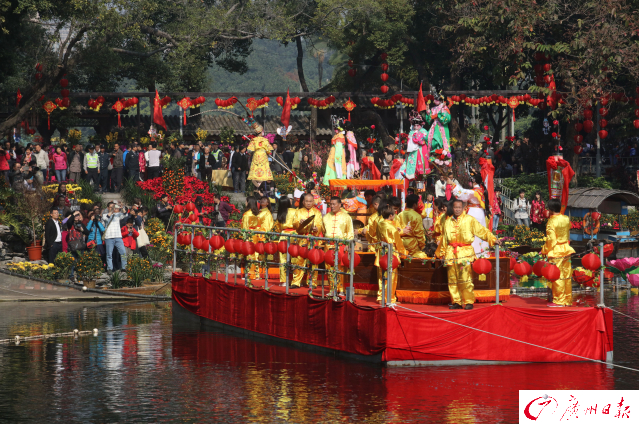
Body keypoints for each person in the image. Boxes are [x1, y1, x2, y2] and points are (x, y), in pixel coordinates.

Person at [438, 198, 498, 310]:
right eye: (455, 207)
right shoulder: (447, 222)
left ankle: (468, 301)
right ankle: (456, 301)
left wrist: (493, 239)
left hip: (465, 253)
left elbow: (482, 231)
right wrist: (442, 253)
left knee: (466, 278)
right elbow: (444, 240)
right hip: (451, 253)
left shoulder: (470, 220)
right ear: (452, 208)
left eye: (459, 207)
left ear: (464, 208)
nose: (457, 210)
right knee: (452, 279)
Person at [540, 199, 576, 307]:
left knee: (557, 276)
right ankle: (568, 299)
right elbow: (568, 227)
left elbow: (551, 240)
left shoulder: (551, 222)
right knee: (567, 276)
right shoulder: (565, 218)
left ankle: (559, 300)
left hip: (556, 251)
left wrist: (544, 250)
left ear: (550, 210)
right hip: (566, 248)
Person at [375, 204, 408, 304]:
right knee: (391, 277)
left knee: (381, 276)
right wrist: (404, 254)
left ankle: (381, 297)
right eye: (394, 214)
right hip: (391, 253)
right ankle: (390, 298)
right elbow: (398, 244)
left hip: (381, 252)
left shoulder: (380, 224)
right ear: (390, 216)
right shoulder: (392, 229)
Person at [322, 196, 354, 296]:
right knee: (329, 268)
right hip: (329, 245)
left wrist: (348, 245)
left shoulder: (346, 217)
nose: (332, 206)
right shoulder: (326, 217)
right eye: (330, 204)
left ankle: (340, 290)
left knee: (340, 268)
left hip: (340, 245)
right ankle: (332, 289)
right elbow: (323, 231)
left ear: (340, 204)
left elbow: (350, 232)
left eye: (334, 204)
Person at [291, 192, 324, 288]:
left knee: (313, 260)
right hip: (302, 239)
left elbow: (319, 224)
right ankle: (296, 282)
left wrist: (316, 229)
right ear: (303, 202)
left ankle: (312, 282)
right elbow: (294, 223)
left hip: (313, 239)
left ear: (313, 201)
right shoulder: (298, 211)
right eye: (307, 201)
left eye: (310, 201)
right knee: (299, 260)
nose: (308, 203)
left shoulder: (317, 212)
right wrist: (299, 223)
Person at [451, 176, 490, 256]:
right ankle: (482, 252)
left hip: (473, 213)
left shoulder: (474, 191)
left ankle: (474, 252)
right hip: (480, 212)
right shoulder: (481, 190)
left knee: (472, 232)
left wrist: (453, 185)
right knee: (480, 231)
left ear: (474, 182)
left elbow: (462, 194)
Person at [274, 196, 296, 286]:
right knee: (294, 259)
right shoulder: (295, 211)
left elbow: (277, 228)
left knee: (283, 260)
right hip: (294, 236)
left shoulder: (280, 213)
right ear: (289, 203)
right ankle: (295, 281)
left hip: (283, 236)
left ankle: (284, 281)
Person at [103, 202, 127, 273]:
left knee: (123, 253)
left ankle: (124, 267)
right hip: (109, 237)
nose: (113, 208)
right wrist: (111, 211)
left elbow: (125, 215)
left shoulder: (118, 215)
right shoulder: (105, 215)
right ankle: (109, 268)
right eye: (111, 207)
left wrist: (122, 208)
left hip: (118, 237)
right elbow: (106, 219)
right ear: (108, 208)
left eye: (114, 206)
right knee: (109, 254)